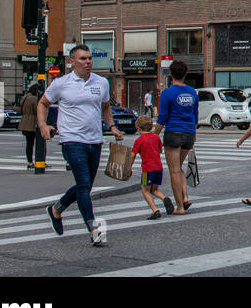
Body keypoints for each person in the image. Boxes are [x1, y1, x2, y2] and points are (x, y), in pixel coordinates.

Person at [39, 44, 123, 246]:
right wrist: (43, 125)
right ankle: (93, 228)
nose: (88, 62)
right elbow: (43, 103)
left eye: (89, 58)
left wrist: (112, 127)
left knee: (85, 186)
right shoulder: (61, 83)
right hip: (71, 140)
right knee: (84, 185)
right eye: (83, 59)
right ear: (72, 61)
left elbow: (105, 107)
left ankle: (56, 209)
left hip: (95, 140)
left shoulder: (101, 82)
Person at [153, 60, 198, 216]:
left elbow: (162, 118)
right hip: (189, 133)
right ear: (185, 74)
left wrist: (154, 136)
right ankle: (185, 197)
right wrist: (194, 133)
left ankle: (179, 207)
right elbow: (195, 115)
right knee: (179, 167)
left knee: (174, 170)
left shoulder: (167, 93)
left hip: (173, 133)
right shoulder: (193, 93)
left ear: (170, 74)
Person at [131, 116, 172, 219]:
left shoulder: (139, 140)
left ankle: (155, 210)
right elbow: (160, 150)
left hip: (147, 170)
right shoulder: (156, 137)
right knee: (155, 189)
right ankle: (164, 198)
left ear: (139, 128)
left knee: (145, 190)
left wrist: (129, 167)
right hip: (158, 168)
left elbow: (133, 155)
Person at [19, 82, 43, 169]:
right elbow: (38, 111)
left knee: (29, 144)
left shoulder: (25, 97)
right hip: (33, 123)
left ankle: (29, 161)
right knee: (40, 143)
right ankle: (40, 161)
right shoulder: (34, 99)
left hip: (24, 122)